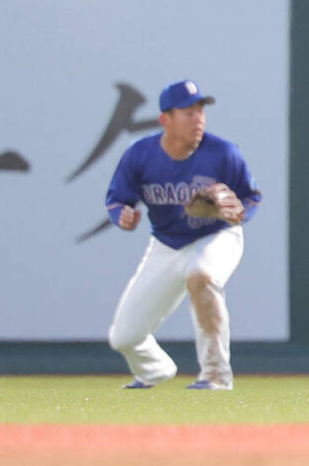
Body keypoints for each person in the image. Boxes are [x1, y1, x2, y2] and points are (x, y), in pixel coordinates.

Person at [105, 80, 261, 391]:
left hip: (216, 236)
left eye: (201, 110)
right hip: (166, 244)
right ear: (166, 119)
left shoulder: (223, 153)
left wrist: (238, 212)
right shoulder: (140, 155)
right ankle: (154, 370)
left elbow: (251, 197)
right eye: (188, 112)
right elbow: (117, 200)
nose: (198, 118)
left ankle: (216, 375)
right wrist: (121, 215)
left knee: (201, 275)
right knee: (123, 337)